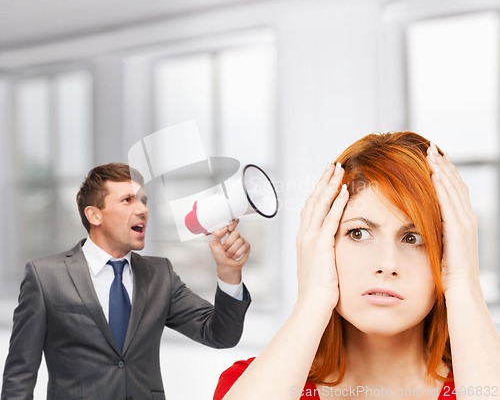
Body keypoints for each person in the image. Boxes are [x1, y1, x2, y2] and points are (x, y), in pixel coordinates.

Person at [213, 132, 500, 400]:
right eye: (358, 233)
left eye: (414, 238)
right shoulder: (251, 381)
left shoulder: (482, 380)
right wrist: (312, 298)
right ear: (323, 244)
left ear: (449, 249)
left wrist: (464, 284)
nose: (387, 264)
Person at [2, 162, 252, 400]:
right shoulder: (45, 276)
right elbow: (20, 374)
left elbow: (220, 335)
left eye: (144, 201)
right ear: (94, 215)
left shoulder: (160, 274)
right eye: (127, 200)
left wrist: (228, 273)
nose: (142, 209)